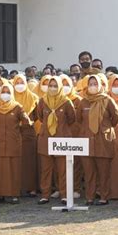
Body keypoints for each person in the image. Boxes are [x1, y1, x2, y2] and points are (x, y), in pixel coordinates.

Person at [76, 75, 118, 205]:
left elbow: (116, 118)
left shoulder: (107, 100)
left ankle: (104, 196)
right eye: (90, 84)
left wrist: (105, 128)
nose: (93, 86)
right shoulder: (83, 102)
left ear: (101, 85)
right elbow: (79, 119)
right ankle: (90, 196)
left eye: (95, 83)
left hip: (103, 140)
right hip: (87, 140)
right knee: (89, 171)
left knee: (103, 171)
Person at [0, 81, 31, 204]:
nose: (5, 94)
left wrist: (17, 133)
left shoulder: (17, 107)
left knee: (13, 169)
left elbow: (27, 122)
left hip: (13, 142)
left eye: (8, 92)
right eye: (3, 92)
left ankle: (14, 194)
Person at [36, 76, 75, 204]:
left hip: (62, 138)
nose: (52, 88)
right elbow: (40, 117)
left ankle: (64, 194)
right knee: (46, 169)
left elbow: (71, 119)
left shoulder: (66, 102)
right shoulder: (43, 101)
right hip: (46, 138)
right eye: (50, 85)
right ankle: (45, 195)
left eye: (55, 86)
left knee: (63, 169)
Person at [13, 74, 39, 197]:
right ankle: (17, 186)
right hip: (14, 132)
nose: (19, 85)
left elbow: (38, 114)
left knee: (29, 160)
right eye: (16, 82)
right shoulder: (10, 96)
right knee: (16, 161)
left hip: (29, 131)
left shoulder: (33, 97)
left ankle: (31, 187)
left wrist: (30, 122)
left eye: (21, 82)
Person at [60, 74, 84, 197]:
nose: (64, 87)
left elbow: (79, 118)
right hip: (61, 134)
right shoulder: (57, 100)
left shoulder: (78, 100)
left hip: (75, 134)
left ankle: (76, 188)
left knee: (76, 163)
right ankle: (61, 188)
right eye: (62, 84)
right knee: (60, 163)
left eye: (67, 84)